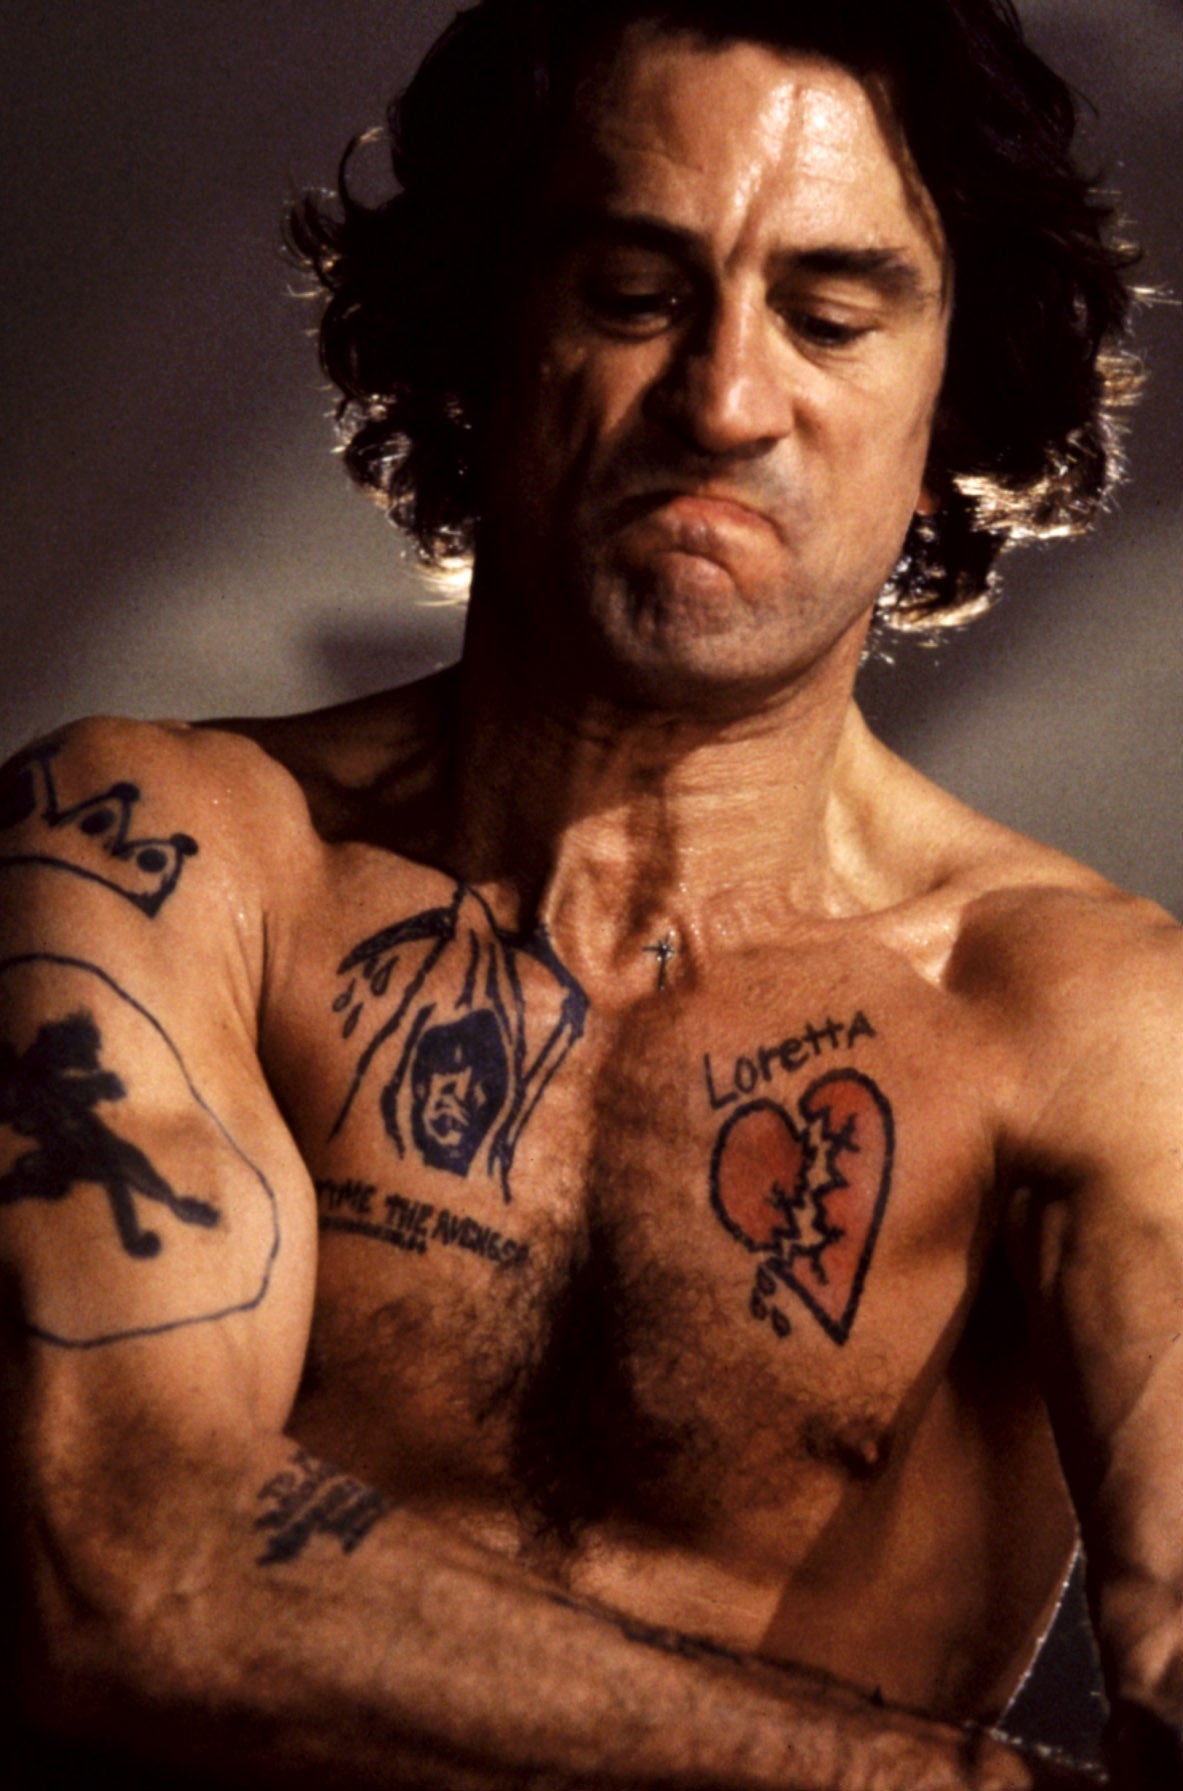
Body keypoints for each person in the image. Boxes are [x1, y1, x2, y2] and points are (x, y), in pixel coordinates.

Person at [0, 0, 1176, 1784]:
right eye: (635, 295)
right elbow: (119, 1561)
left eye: (831, 319)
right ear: (484, 326)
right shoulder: (164, 858)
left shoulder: (1088, 1025)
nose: (726, 403)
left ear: (954, 397)